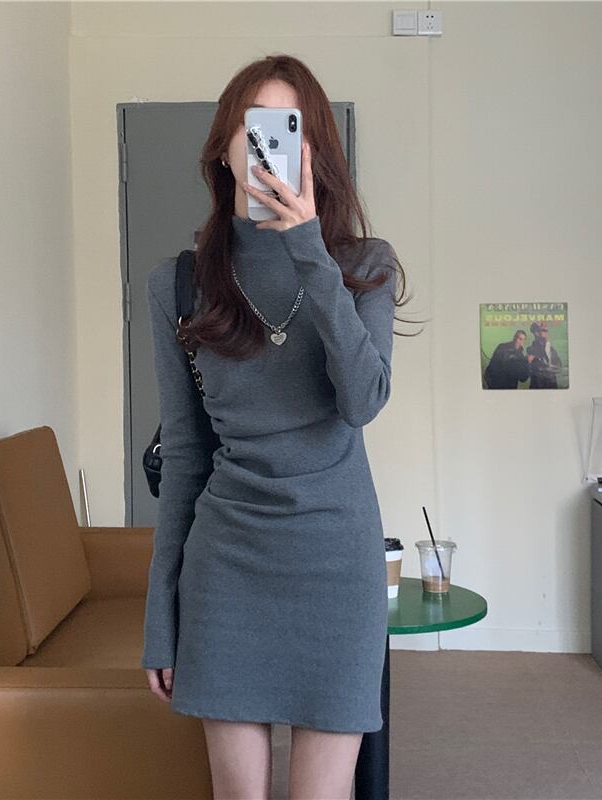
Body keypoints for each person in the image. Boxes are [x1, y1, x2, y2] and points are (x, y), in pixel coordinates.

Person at [141, 55, 415, 800]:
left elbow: (362, 401)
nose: (268, 145)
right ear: (222, 148)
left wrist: (308, 251)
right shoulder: (178, 284)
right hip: (228, 568)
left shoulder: (365, 267)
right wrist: (160, 618)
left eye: (287, 127)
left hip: (337, 566)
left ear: (314, 150)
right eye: (252, 125)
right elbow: (186, 456)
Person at [526, 321, 563, 389]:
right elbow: (540, 367)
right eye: (544, 330)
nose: (547, 333)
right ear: (536, 333)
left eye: (547, 330)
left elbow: (559, 367)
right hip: (538, 387)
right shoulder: (531, 349)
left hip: (552, 387)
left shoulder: (552, 349)